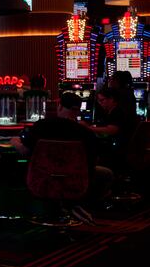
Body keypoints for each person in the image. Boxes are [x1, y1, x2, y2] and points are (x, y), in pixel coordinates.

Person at [10, 92, 112, 223]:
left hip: (42, 179)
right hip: (76, 180)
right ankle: (78, 206)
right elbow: (92, 161)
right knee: (107, 173)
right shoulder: (86, 133)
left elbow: (24, 151)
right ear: (78, 110)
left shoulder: (42, 126)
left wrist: (15, 141)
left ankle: (50, 209)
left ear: (59, 106)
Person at [87, 87, 137, 152]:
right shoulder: (110, 111)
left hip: (117, 149)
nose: (99, 103)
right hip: (113, 145)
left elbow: (112, 130)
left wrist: (89, 128)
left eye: (102, 100)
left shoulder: (117, 112)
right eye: (98, 101)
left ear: (111, 99)